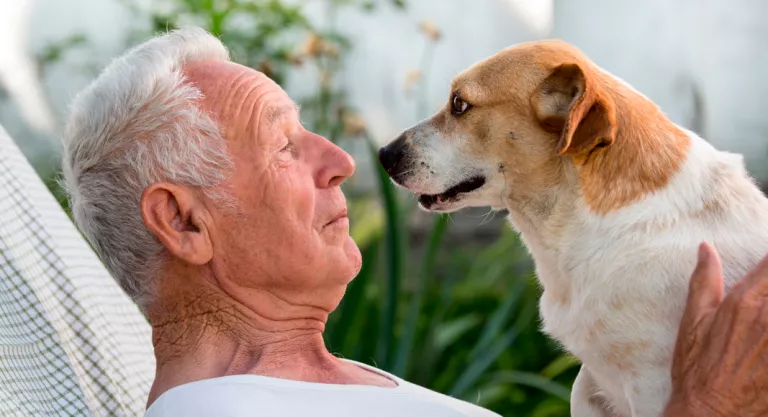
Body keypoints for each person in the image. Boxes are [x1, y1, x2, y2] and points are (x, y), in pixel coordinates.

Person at [59, 27, 768, 417]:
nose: (340, 158)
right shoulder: (224, 413)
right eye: (283, 143)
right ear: (182, 221)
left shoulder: (331, 387)